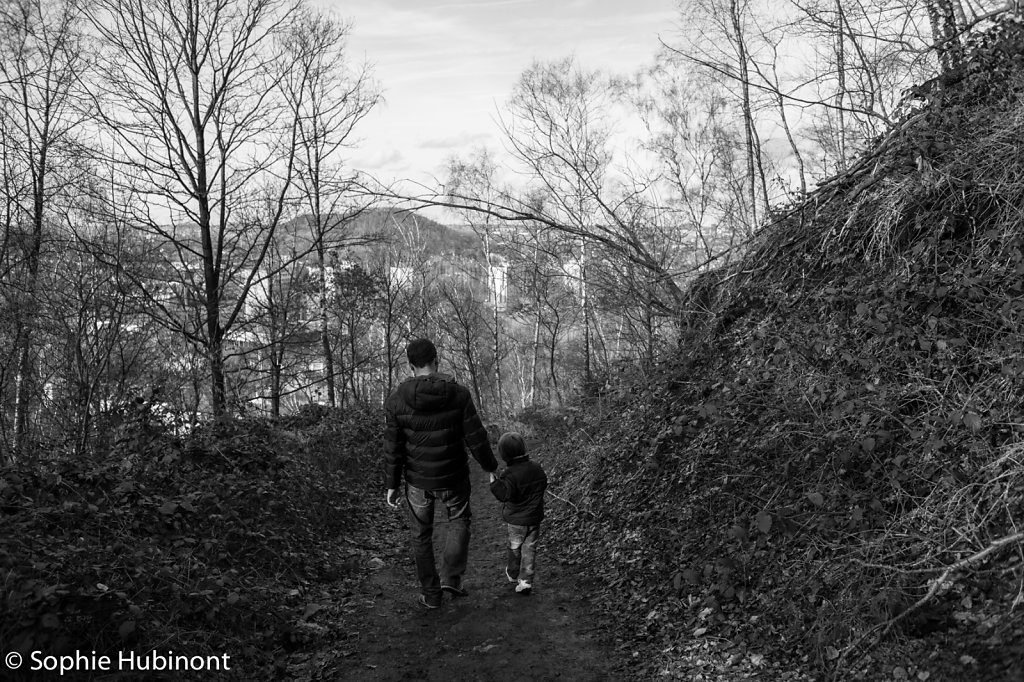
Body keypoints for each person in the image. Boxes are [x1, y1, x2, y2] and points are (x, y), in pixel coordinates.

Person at [384, 338, 498, 609]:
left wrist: (391, 484)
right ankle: (453, 579)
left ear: (410, 365)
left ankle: (431, 594)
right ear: (437, 360)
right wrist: (491, 467)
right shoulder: (458, 394)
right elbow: (476, 437)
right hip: (453, 476)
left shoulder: (396, 400)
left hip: (417, 481)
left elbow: (393, 447)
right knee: (458, 521)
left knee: (421, 535)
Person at [489, 432, 548, 594]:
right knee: (530, 548)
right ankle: (526, 581)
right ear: (523, 448)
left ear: (503, 454)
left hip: (516, 521)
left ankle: (513, 572)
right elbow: (543, 482)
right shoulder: (536, 467)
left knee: (515, 547)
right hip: (534, 518)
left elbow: (504, 495)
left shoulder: (508, 473)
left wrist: (494, 483)